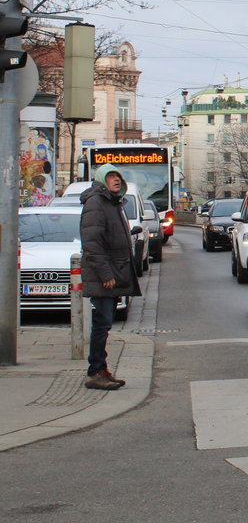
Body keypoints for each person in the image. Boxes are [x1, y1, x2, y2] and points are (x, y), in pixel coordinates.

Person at [80, 164, 142, 391]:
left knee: (104, 323)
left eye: (118, 176)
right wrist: (106, 273)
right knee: (102, 323)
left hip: (113, 272)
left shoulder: (112, 202)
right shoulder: (97, 203)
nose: (116, 179)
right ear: (101, 179)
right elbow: (92, 244)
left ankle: (100, 369)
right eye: (111, 176)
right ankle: (95, 372)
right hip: (103, 275)